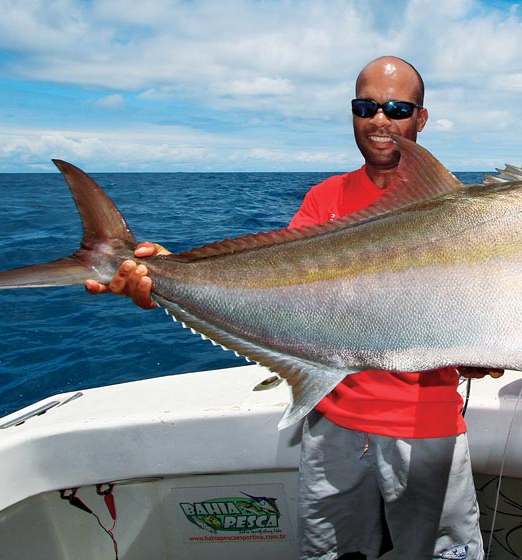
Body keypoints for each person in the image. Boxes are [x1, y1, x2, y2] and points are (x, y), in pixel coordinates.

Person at [87, 56, 496, 560]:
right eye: (366, 106)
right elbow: (271, 284)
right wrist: (167, 275)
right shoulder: (326, 197)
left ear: (421, 117)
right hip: (333, 419)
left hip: (426, 427)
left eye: (396, 107)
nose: (380, 119)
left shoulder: (467, 214)